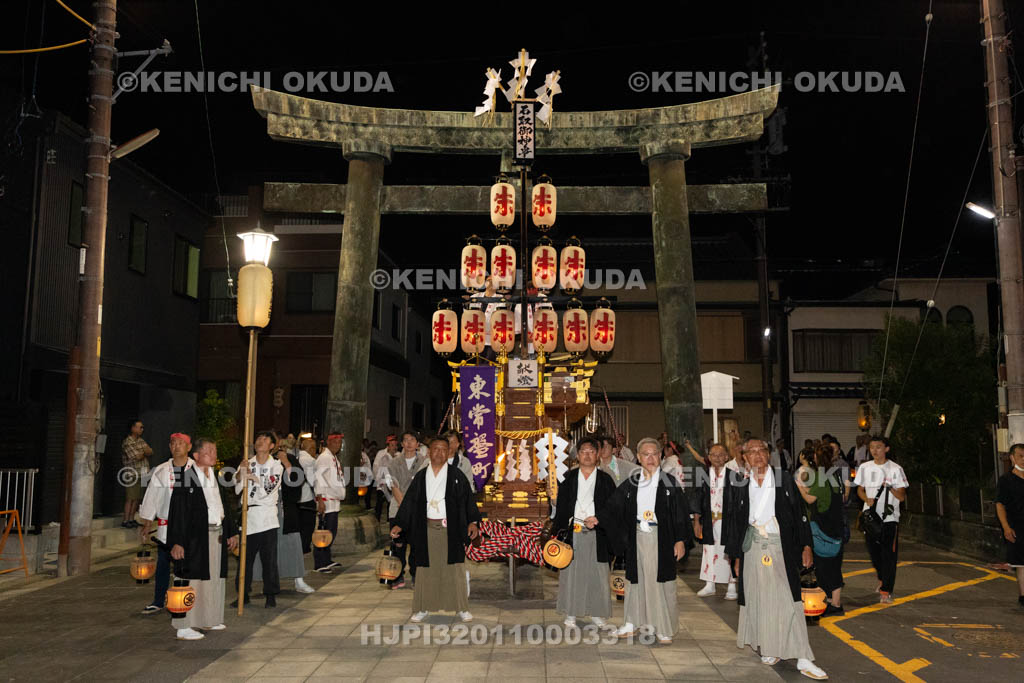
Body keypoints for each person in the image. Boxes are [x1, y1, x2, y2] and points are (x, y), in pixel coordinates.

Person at [722, 437, 827, 680]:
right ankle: (770, 647)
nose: (758, 454)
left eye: (762, 450)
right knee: (758, 599)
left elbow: (800, 513)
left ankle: (803, 657)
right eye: (752, 451)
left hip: (780, 546)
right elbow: (734, 521)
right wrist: (736, 556)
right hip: (752, 548)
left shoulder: (784, 479)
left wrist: (806, 546)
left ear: (768, 454)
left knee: (789, 600)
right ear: (744, 457)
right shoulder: (739, 483)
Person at [586, 437, 691, 644]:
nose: (650, 458)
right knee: (634, 581)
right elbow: (614, 505)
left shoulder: (670, 483)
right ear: (639, 457)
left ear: (660, 456)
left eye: (654, 454)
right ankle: (631, 622)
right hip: (637, 537)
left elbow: (680, 514)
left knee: (660, 583)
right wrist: (598, 518)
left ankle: (662, 627)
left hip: (661, 538)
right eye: (645, 454)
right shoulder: (632, 482)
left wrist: (680, 540)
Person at [391, 437, 481, 622]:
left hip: (451, 529)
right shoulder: (421, 476)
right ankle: (423, 607)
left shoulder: (457, 475)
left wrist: (473, 522)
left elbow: (468, 501)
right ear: (429, 452)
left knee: (455, 569)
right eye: (436, 449)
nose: (439, 453)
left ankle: (461, 608)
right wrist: (400, 523)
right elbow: (410, 502)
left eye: (443, 449)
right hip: (427, 529)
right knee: (425, 569)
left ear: (448, 452)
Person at [165, 438, 239, 640]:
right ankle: (183, 625)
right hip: (194, 537)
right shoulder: (186, 478)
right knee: (191, 579)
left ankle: (209, 618)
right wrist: (177, 542)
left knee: (213, 579)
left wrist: (232, 531)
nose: (213, 454)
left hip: (216, 533)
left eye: (214, 451)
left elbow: (224, 507)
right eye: (208, 451)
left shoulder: (216, 477)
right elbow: (177, 512)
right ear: (196, 456)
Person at [553, 437, 617, 627]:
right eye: (583, 451)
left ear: (598, 455)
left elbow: (613, 508)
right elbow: (561, 507)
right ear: (577, 455)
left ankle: (596, 612)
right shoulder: (568, 478)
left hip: (598, 533)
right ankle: (571, 612)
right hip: (573, 532)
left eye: (591, 451)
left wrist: (599, 519)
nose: (587, 455)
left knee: (597, 574)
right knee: (571, 574)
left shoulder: (606, 480)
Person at [138, 432, 194, 615]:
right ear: (169, 447)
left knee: (185, 567)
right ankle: (158, 600)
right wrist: (147, 522)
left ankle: (185, 601)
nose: (176, 446)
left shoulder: (196, 470)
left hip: (188, 527)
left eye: (180, 443)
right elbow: (152, 496)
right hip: (165, 526)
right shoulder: (161, 470)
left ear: (189, 447)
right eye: (173, 443)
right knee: (163, 564)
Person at [853, 435, 908, 604]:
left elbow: (902, 497)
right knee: (874, 553)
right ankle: (881, 577)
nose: (874, 451)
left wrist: (890, 488)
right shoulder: (865, 467)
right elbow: (859, 490)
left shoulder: (895, 469)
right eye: (872, 447)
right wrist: (866, 499)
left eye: (878, 447)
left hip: (889, 517)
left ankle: (886, 590)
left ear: (886, 449)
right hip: (870, 518)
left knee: (889, 555)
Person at [253, 446, 315, 594]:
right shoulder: (255, 461)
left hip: (286, 508)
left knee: (293, 542)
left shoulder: (288, 458)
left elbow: (298, 479)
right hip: (264, 509)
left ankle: (298, 579)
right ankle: (265, 581)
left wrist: (286, 462)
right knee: (265, 545)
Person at [234, 430, 284, 608]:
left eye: (264, 439)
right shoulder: (248, 462)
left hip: (267, 518)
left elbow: (267, 490)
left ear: (272, 446)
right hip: (248, 516)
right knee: (244, 560)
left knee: (268, 560)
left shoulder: (276, 466)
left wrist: (252, 477)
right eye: (258, 439)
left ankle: (270, 594)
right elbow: (237, 488)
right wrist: (241, 473)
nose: (260, 441)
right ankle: (243, 594)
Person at [796, 445, 846, 615]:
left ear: (817, 459)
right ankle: (831, 600)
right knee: (834, 563)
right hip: (836, 523)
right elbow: (824, 493)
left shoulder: (821, 475)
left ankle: (835, 604)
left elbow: (810, 499)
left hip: (824, 526)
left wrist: (798, 486)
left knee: (826, 565)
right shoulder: (835, 474)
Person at [384, 432, 429, 589]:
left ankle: (416, 574)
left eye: (412, 440)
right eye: (406, 440)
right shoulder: (393, 463)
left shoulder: (425, 462)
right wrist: (405, 507)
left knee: (417, 544)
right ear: (402, 444)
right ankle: (397, 575)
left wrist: (410, 507)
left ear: (418, 444)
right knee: (398, 543)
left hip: (418, 509)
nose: (409, 443)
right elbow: (393, 485)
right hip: (397, 508)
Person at [694, 443, 737, 600]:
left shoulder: (734, 476)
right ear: (709, 457)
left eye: (720, 455)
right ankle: (709, 584)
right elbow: (697, 499)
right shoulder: (703, 475)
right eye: (713, 455)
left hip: (728, 521)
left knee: (728, 552)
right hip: (709, 519)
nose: (717, 458)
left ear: (726, 457)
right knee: (709, 551)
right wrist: (696, 521)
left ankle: (732, 586)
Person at [313, 433, 346, 573]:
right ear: (329, 442)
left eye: (340, 442)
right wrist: (320, 500)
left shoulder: (333, 458)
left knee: (331, 531)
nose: (337, 445)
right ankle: (319, 563)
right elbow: (319, 479)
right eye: (335, 442)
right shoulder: (324, 458)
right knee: (324, 532)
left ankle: (326, 559)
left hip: (334, 500)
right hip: (326, 501)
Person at [996, 443, 1024, 608]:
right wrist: (1006, 527)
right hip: (1017, 526)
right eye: (1020, 456)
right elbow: (1000, 504)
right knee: (1021, 563)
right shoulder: (1006, 480)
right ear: (1012, 458)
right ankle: (1023, 596)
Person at [122, 420, 153, 528]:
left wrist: (143, 453)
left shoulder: (141, 440)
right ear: (133, 428)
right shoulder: (128, 442)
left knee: (137, 497)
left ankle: (131, 518)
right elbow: (136, 456)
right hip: (132, 473)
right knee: (130, 497)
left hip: (143, 473)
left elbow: (150, 451)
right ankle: (125, 520)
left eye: (142, 427)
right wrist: (144, 452)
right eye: (140, 427)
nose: (142, 429)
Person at [296, 435, 319, 554]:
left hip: (296, 499)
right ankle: (304, 549)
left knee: (299, 526)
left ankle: (298, 548)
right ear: (311, 449)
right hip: (307, 498)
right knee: (307, 526)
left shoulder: (296, 457)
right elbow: (313, 481)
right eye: (315, 449)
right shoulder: (310, 461)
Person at [373, 435, 399, 521]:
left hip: (393, 483)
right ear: (388, 446)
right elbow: (376, 467)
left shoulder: (399, 455)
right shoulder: (382, 454)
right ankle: (377, 519)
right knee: (380, 501)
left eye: (395, 445)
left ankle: (389, 519)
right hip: (383, 482)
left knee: (391, 502)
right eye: (392, 445)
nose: (394, 447)